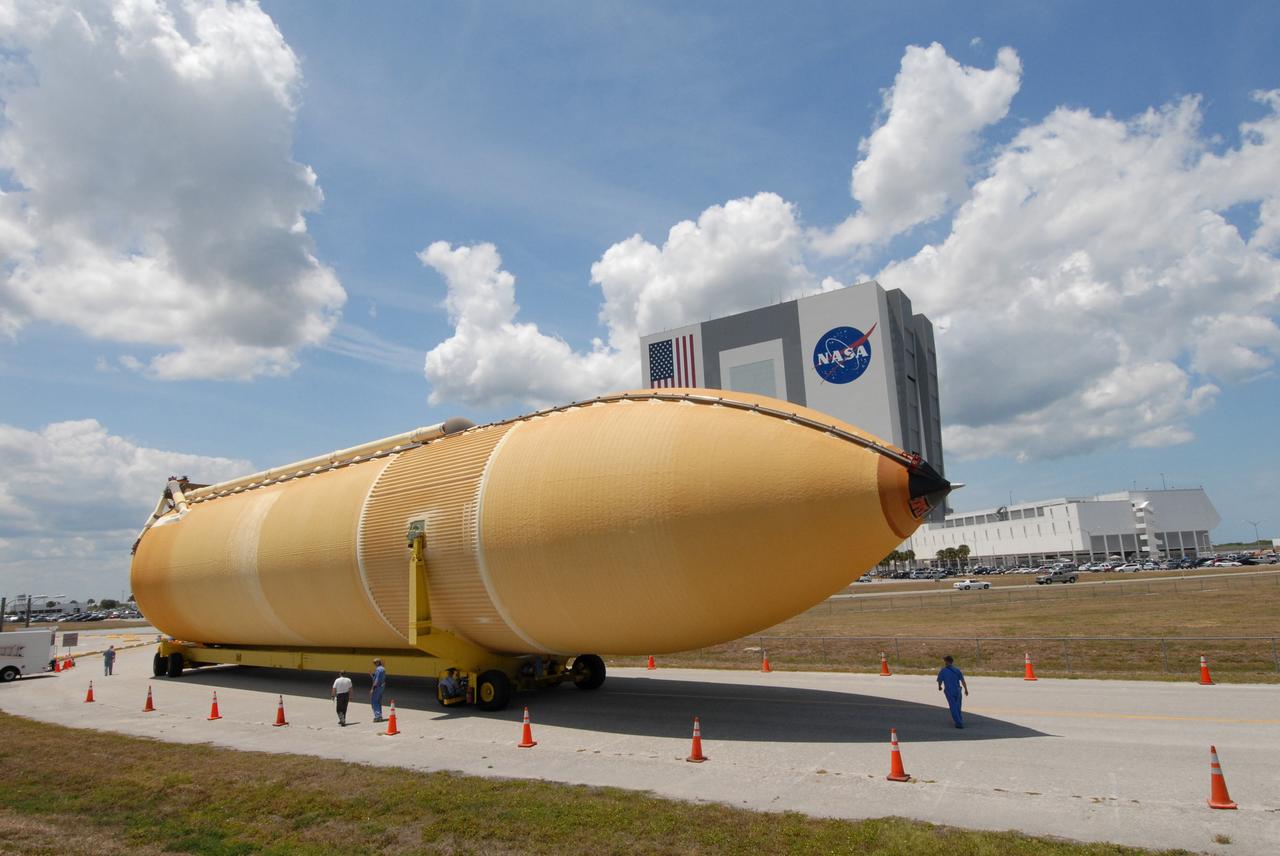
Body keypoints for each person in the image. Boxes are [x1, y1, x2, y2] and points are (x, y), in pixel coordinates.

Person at [937, 655, 969, 728]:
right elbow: (962, 681)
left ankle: (958, 723)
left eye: (945, 661)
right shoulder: (957, 670)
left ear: (947, 662)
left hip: (949, 691)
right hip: (958, 690)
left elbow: (939, 680)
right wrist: (966, 689)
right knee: (958, 706)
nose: (944, 662)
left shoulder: (943, 670)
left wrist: (939, 687)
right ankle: (960, 720)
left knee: (953, 707)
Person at [370, 658, 386, 722]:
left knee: (374, 701)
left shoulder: (378, 669)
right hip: (382, 686)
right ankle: (380, 715)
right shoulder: (383, 668)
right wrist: (372, 676)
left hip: (377, 687)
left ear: (377, 662)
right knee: (378, 701)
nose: (374, 664)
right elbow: (379, 678)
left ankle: (378, 716)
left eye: (374, 663)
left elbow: (376, 680)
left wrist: (372, 689)